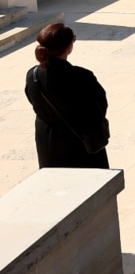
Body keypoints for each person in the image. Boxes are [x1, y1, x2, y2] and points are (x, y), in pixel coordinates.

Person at [26, 23, 109, 169]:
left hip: (48, 143)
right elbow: (100, 107)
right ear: (68, 47)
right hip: (80, 145)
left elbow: (34, 101)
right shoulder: (82, 76)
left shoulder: (32, 75)